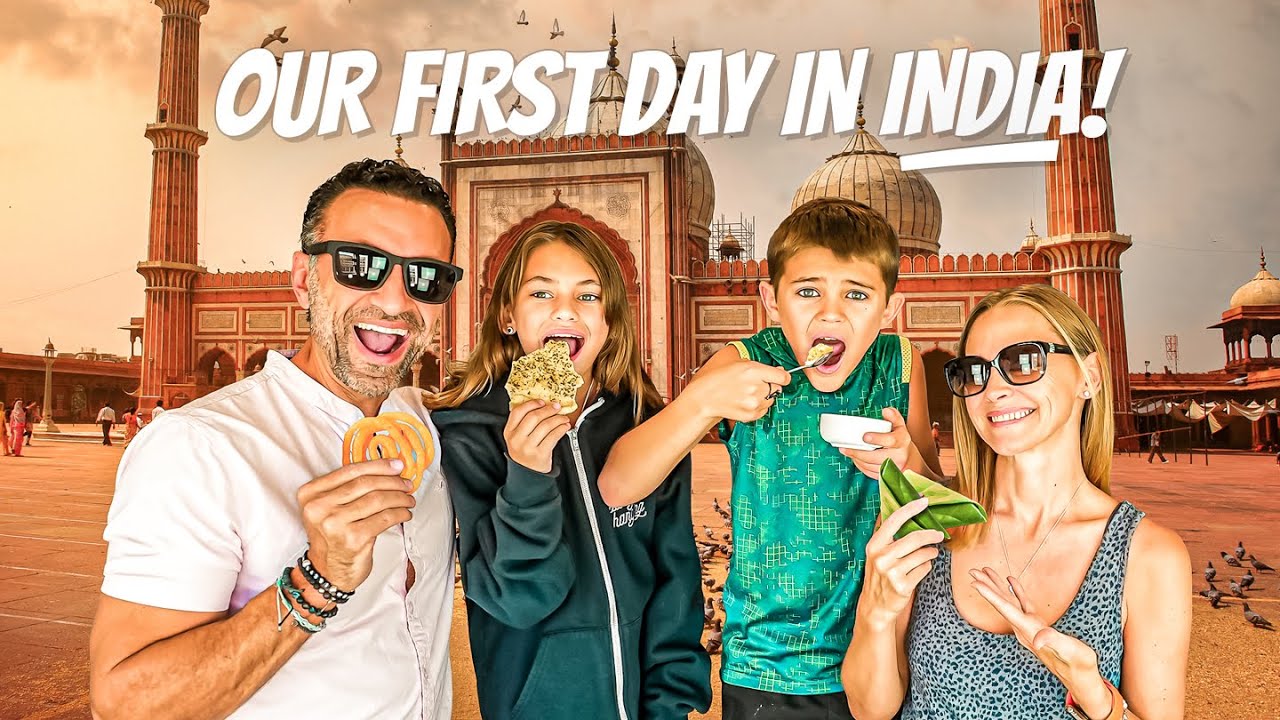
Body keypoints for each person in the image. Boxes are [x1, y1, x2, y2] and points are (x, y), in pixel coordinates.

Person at [89, 159, 463, 719]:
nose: (393, 302)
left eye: (425, 277)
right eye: (361, 266)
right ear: (302, 280)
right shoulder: (203, 448)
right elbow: (126, 705)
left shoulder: (425, 430)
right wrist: (320, 579)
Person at [598, 198, 941, 719]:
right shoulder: (744, 361)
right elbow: (619, 485)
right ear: (772, 302)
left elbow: (937, 502)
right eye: (808, 292)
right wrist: (703, 401)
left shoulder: (899, 365)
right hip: (767, 666)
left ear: (889, 310)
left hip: (883, 656)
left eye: (856, 294)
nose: (830, 312)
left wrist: (908, 460)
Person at [843, 284, 1190, 720]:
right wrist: (875, 612)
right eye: (973, 372)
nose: (994, 390)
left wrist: (1097, 699)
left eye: (1023, 361)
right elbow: (869, 710)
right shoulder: (930, 520)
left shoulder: (1147, 554)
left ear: (1090, 376)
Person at [428, 221, 712, 720]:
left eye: (588, 295)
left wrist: (671, 707)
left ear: (610, 322)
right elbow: (515, 600)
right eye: (541, 292)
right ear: (508, 316)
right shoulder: (469, 434)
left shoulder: (645, 426)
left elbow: (676, 582)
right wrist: (528, 475)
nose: (565, 310)